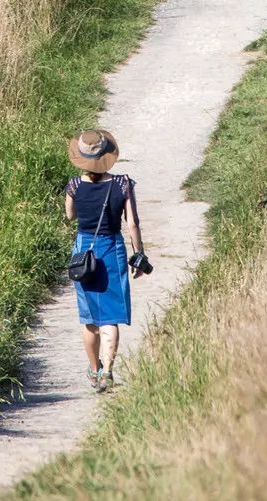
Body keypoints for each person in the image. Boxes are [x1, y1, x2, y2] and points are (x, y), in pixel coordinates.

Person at [65, 128, 150, 392]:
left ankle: (94, 369)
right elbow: (132, 223)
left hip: (84, 250)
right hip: (112, 248)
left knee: (89, 318)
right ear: (106, 156)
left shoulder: (74, 186)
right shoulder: (122, 184)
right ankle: (108, 373)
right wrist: (139, 254)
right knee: (110, 316)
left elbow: (70, 216)